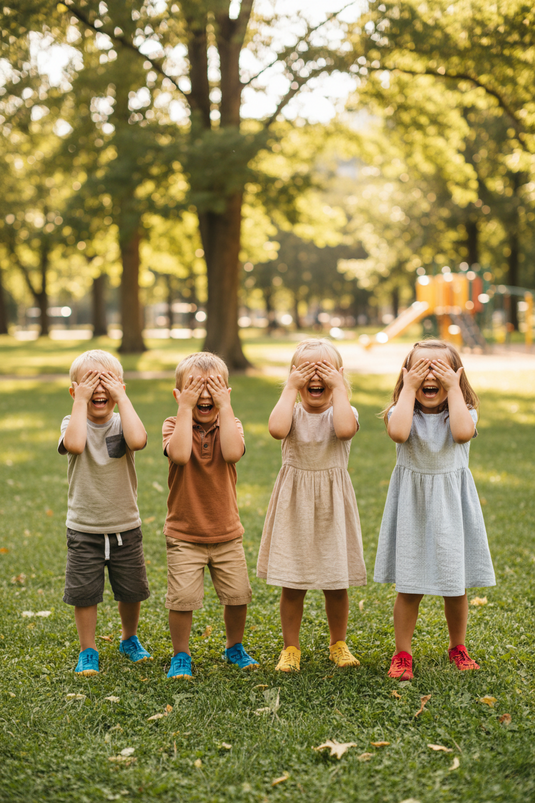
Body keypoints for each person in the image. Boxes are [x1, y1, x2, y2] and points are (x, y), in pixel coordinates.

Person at [374, 340, 495, 680]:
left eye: (439, 369)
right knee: (409, 586)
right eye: (420, 368)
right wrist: (407, 391)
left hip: (451, 508)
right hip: (413, 507)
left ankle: (458, 645)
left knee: (455, 586)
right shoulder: (402, 414)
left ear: (457, 376)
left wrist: (455, 389)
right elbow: (398, 434)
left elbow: (461, 433)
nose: (430, 375)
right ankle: (403, 653)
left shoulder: (463, 412)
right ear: (406, 375)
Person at [257, 338, 366, 672]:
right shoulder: (289, 411)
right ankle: (291, 647)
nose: (315, 377)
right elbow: (276, 430)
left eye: (324, 369)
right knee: (293, 581)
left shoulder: (343, 410)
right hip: (295, 504)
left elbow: (345, 430)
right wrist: (290, 388)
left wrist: (341, 389)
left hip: (333, 504)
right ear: (294, 377)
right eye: (306, 370)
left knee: (336, 582)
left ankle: (339, 643)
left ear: (338, 375)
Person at [163, 353, 257, 679]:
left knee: (238, 595)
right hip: (184, 534)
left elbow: (232, 453)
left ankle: (235, 646)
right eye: (194, 388)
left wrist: (226, 408)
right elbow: (178, 454)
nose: (205, 394)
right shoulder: (174, 424)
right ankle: (181, 655)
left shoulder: (232, 425)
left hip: (227, 532)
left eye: (213, 388)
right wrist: (185, 409)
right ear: (179, 395)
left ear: (226, 393)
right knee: (182, 600)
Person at [58, 349, 151, 676]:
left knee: (131, 589)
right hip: (84, 528)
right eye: (89, 382)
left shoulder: (124, 422)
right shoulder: (72, 422)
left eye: (107, 381)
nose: (99, 388)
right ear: (74, 391)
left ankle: (129, 637)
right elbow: (76, 445)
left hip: (125, 525)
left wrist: (121, 398)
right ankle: (88, 649)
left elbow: (138, 441)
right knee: (84, 592)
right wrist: (80, 403)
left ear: (120, 388)